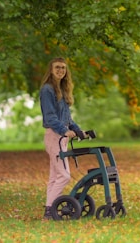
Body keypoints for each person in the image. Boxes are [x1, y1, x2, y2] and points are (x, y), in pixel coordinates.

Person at [39, 57, 84, 220]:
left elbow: (68, 119)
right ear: (51, 70)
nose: (60, 70)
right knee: (64, 176)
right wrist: (64, 131)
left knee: (55, 176)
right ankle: (50, 210)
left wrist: (78, 131)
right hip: (54, 136)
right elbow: (50, 117)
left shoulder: (62, 90)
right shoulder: (47, 90)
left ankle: (48, 212)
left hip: (61, 137)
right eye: (57, 67)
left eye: (63, 68)